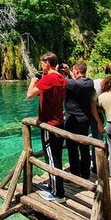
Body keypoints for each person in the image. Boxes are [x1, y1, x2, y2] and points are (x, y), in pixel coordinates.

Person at [27, 52, 67, 202]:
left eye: (42, 63)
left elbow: (30, 94)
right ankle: (54, 186)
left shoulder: (48, 78)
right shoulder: (62, 78)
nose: (40, 66)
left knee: (51, 158)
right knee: (56, 157)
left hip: (49, 125)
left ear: (47, 63)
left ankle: (58, 194)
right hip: (59, 123)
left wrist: (34, 79)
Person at [60, 61, 104, 179]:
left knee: (72, 148)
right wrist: (69, 71)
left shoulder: (74, 85)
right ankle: (86, 174)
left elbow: (63, 81)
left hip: (73, 120)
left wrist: (56, 71)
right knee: (84, 147)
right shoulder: (89, 82)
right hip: (85, 120)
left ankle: (75, 175)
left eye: (74, 70)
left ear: (77, 71)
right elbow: (76, 82)